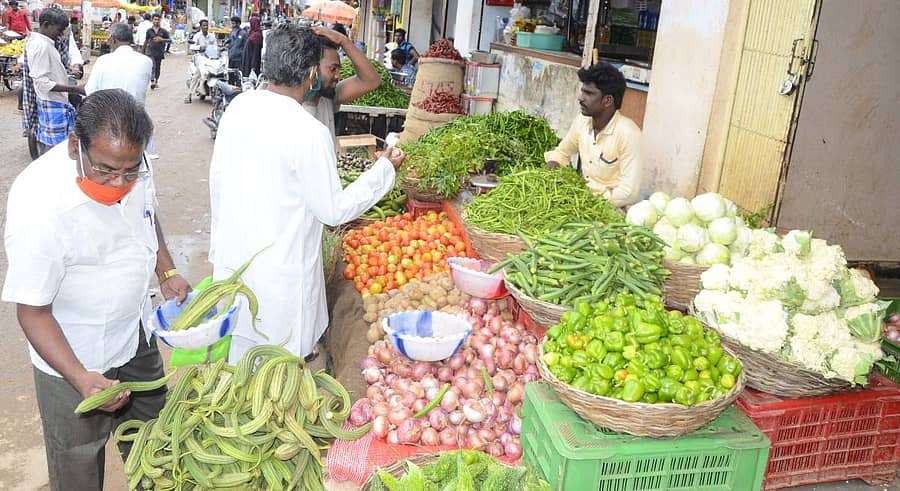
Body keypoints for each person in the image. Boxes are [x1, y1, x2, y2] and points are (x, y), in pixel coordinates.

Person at [2, 88, 190, 491]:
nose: (120, 182)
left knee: (156, 448)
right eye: (106, 171)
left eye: (129, 171)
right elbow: (31, 311)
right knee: (78, 468)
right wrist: (81, 378)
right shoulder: (39, 205)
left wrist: (166, 268)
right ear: (75, 147)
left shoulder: (129, 160)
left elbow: (146, 212)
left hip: (134, 336)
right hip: (73, 357)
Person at [208, 25, 404, 366]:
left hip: (236, 261)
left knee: (242, 364)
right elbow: (333, 210)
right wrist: (384, 171)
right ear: (311, 73)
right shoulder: (308, 131)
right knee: (280, 369)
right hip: (281, 276)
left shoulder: (239, 108)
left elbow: (219, 181)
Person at [545, 61, 642, 207]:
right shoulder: (581, 122)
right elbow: (562, 152)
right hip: (580, 201)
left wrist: (591, 202)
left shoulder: (629, 134)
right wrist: (553, 166)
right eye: (583, 91)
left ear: (607, 100)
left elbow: (629, 192)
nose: (580, 98)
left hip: (612, 209)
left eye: (589, 93)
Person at [22, 7, 84, 158]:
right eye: (59, 29)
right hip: (52, 103)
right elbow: (42, 82)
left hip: (54, 102)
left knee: (54, 145)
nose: (61, 34)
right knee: (54, 150)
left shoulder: (46, 42)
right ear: (46, 25)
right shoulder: (41, 45)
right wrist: (75, 89)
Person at [305, 26, 381, 142]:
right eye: (333, 69)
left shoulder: (327, 97)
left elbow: (371, 81)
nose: (338, 76)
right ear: (312, 68)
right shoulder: (291, 105)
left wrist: (344, 41)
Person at [85, 23, 152, 106]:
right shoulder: (146, 61)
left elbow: (90, 91)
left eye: (109, 39)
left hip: (108, 113)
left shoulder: (103, 60)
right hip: (136, 115)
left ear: (113, 40)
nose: (108, 43)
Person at [184, 18, 218, 103]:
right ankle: (189, 94)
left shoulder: (212, 36)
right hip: (199, 57)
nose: (206, 27)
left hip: (210, 58)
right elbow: (192, 47)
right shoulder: (197, 36)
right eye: (204, 25)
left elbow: (215, 47)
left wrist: (219, 50)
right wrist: (199, 47)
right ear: (201, 26)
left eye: (207, 25)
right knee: (197, 74)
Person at [143, 13, 169, 89]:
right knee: (153, 66)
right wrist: (143, 51)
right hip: (150, 51)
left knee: (158, 67)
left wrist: (162, 39)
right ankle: (152, 80)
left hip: (159, 51)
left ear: (160, 20)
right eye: (155, 19)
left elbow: (170, 40)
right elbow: (146, 41)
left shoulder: (163, 31)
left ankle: (156, 80)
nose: (156, 21)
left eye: (158, 19)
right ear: (152, 20)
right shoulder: (149, 31)